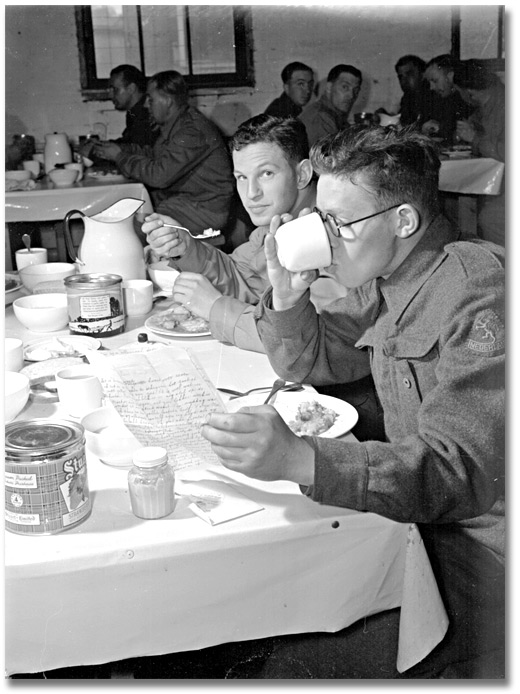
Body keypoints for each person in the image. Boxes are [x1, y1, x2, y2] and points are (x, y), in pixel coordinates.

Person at [200, 126, 505, 679]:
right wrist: (288, 297)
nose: (327, 239)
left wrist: (302, 460)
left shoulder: (477, 291)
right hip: (422, 527)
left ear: (404, 220)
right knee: (248, 606)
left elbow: (457, 471)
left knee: (279, 663)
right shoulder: (388, 278)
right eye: (323, 221)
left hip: (482, 559)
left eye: (339, 224)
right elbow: (308, 362)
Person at [142, 114, 346, 354]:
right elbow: (241, 276)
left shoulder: (333, 235)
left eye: (266, 174)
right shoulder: (278, 223)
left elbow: (305, 338)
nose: (251, 193)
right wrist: (185, 247)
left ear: (302, 174)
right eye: (241, 177)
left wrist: (215, 307)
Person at [92, 70, 234, 235]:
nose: (146, 105)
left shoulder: (191, 131)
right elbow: (154, 154)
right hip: (187, 201)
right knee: (124, 214)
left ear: (167, 101)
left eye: (150, 99)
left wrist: (119, 156)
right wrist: (122, 150)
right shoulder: (177, 123)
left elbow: (159, 176)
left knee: (129, 229)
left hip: (206, 210)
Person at [453, 59, 505, 247]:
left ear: (469, 92)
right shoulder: (487, 106)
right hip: (498, 183)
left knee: (488, 218)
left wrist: (474, 138)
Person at [299, 64, 362, 146]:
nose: (351, 95)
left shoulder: (334, 113)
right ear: (329, 87)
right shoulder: (321, 118)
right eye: (345, 87)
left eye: (356, 90)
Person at [422, 54, 474, 144]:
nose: (431, 87)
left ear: (450, 76)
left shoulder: (469, 98)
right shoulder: (443, 99)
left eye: (434, 80)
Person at [108, 64, 159, 147]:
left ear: (131, 89)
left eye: (115, 89)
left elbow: (137, 151)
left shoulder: (147, 114)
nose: (110, 95)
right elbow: (128, 142)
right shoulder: (133, 112)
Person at [394, 54, 435, 127]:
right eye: (401, 77)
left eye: (409, 74)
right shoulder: (407, 97)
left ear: (422, 75)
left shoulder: (434, 94)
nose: (404, 80)